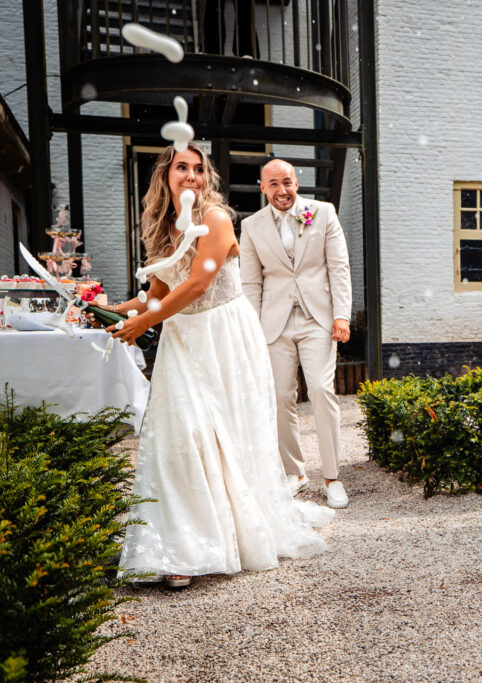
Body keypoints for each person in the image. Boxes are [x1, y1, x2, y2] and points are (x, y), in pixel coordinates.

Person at [108, 143, 334, 588]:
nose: (190, 176)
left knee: (223, 433)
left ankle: (218, 534)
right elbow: (156, 293)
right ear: (165, 176)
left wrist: (147, 322)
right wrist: (111, 311)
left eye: (198, 169)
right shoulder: (161, 228)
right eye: (181, 168)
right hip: (181, 338)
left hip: (222, 336)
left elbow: (197, 283)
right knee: (179, 436)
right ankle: (181, 544)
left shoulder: (214, 218)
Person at [239, 159, 353, 509]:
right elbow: (250, 281)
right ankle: (295, 472)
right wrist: (252, 330)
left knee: (320, 389)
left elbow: (338, 266)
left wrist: (342, 316)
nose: (281, 190)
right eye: (273, 184)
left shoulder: (323, 213)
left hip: (317, 319)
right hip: (273, 323)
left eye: (286, 182)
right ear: (262, 187)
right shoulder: (251, 225)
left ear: (296, 182)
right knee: (279, 397)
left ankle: (332, 477)